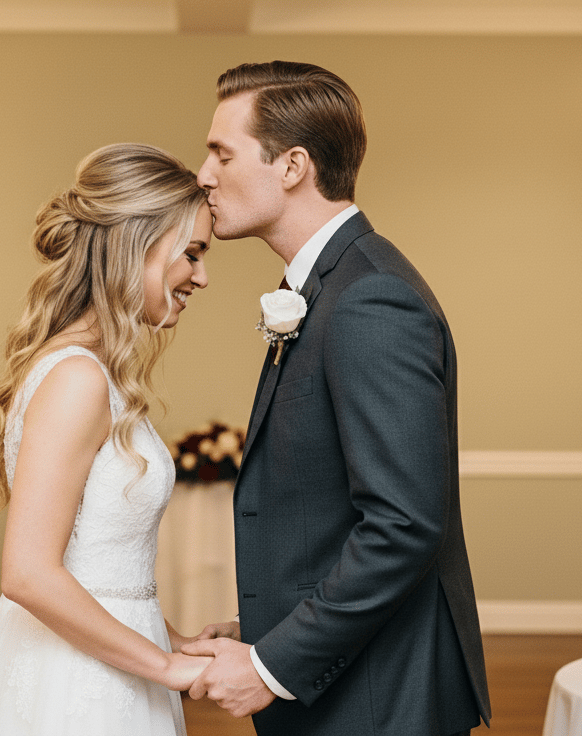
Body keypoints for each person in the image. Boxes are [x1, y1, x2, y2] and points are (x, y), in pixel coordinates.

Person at [182, 61, 491, 736]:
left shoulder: (369, 299)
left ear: (291, 166)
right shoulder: (330, 287)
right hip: (355, 678)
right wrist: (260, 626)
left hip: (382, 697)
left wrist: (270, 664)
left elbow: (402, 525)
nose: (203, 175)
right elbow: (329, 509)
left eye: (221, 153)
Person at [0, 143, 213, 735]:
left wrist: (176, 641)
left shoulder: (93, 371)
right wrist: (165, 667)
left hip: (112, 662)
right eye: (191, 253)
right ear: (136, 248)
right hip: (74, 683)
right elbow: (29, 574)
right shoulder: (76, 378)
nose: (202, 275)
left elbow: (102, 569)